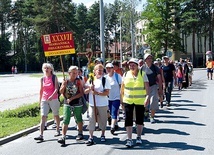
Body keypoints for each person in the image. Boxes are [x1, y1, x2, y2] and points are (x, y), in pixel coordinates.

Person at [121, 58, 150, 147]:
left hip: (140, 100)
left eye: (133, 65)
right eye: (130, 65)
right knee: (128, 120)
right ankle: (129, 139)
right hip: (128, 100)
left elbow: (147, 89)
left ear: (137, 66)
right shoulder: (125, 74)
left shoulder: (142, 74)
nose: (131, 67)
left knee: (139, 120)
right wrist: (121, 101)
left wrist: (147, 98)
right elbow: (122, 89)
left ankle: (138, 137)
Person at [84, 64, 111, 146]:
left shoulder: (105, 80)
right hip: (92, 104)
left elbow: (107, 92)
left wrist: (97, 93)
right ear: (94, 71)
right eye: (98, 70)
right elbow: (85, 91)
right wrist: (90, 88)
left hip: (102, 104)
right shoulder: (91, 79)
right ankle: (91, 137)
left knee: (102, 119)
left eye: (101, 70)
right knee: (91, 119)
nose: (100, 71)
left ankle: (103, 134)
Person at [57, 66, 84, 145]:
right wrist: (64, 85)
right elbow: (61, 91)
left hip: (77, 102)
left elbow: (81, 93)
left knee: (78, 118)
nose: (75, 74)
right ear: (69, 73)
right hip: (67, 103)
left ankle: (80, 132)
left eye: (76, 73)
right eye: (74, 73)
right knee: (65, 119)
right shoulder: (65, 81)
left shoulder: (78, 81)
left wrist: (72, 98)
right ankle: (63, 136)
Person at [34, 63, 60, 141]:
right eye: (45, 68)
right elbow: (41, 90)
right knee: (43, 116)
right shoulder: (42, 79)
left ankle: (58, 129)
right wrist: (40, 100)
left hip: (53, 99)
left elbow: (56, 89)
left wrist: (52, 96)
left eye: (47, 68)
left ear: (51, 69)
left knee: (56, 115)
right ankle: (41, 135)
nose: (46, 69)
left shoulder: (54, 77)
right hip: (44, 99)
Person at [143, 53, 163, 123]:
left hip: (153, 86)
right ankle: (146, 111)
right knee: (145, 102)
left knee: (153, 101)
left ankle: (152, 116)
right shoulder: (142, 68)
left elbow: (159, 79)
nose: (149, 60)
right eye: (148, 58)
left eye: (150, 58)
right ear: (145, 60)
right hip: (144, 88)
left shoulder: (155, 68)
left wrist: (160, 89)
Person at [105, 63, 122, 134]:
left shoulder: (117, 76)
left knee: (114, 112)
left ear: (113, 68)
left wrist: (122, 97)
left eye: (110, 68)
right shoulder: (105, 77)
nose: (109, 69)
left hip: (116, 97)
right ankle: (115, 124)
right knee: (110, 112)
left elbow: (121, 86)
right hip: (107, 98)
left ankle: (112, 127)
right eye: (107, 68)